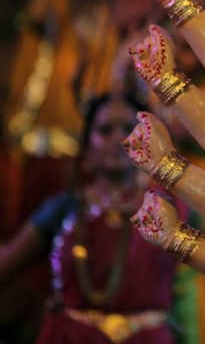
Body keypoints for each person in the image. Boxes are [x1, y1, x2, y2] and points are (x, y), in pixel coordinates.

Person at [0, 93, 179, 343]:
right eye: (105, 130)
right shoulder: (65, 208)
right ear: (86, 148)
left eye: (129, 129)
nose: (119, 139)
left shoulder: (171, 208)